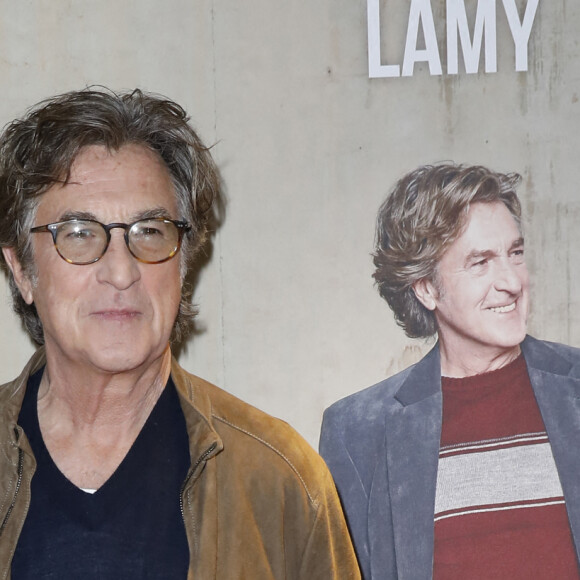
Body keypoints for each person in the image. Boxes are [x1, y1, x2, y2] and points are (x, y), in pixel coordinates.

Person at [0, 87, 360, 579]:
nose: (121, 272)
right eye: (80, 233)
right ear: (21, 270)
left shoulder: (279, 480)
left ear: (184, 261)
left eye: (149, 232)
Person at [320, 163, 580, 579]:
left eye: (515, 253)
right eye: (480, 263)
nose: (511, 282)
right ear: (425, 288)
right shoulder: (358, 432)